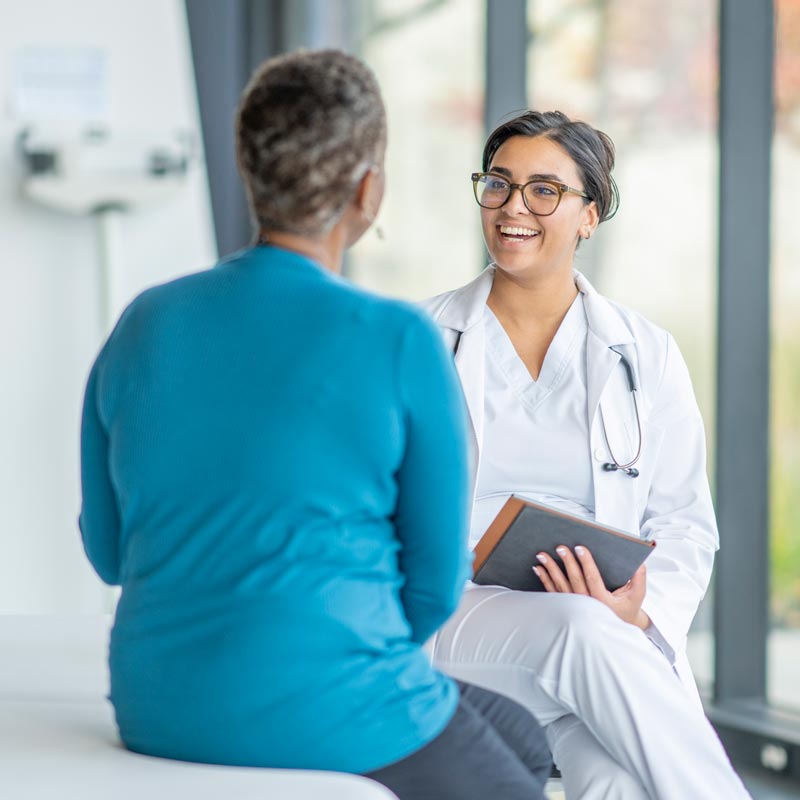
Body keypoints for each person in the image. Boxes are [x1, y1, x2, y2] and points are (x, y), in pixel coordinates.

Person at [78, 51, 551, 800]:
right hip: (334, 707)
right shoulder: (396, 339)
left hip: (157, 705)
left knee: (521, 734)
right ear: (369, 189)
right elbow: (432, 589)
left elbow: (108, 555)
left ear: (249, 170)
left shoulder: (145, 321)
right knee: (521, 773)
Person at [422, 110, 752, 799]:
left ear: (589, 216)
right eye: (499, 184)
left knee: (621, 783)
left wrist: (639, 609)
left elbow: (686, 523)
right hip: (459, 616)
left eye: (544, 190)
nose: (514, 207)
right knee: (581, 627)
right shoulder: (420, 340)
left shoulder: (644, 351)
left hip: (599, 639)